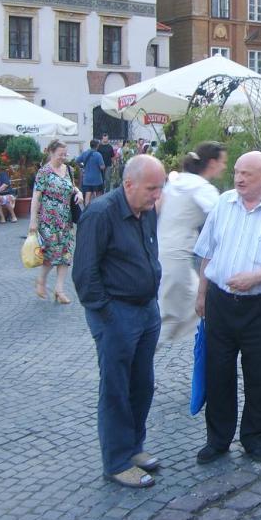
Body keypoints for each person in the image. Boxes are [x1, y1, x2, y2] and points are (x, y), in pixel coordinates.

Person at [193, 151, 261, 464]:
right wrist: (201, 293)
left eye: (247, 174)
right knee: (217, 372)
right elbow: (207, 252)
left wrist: (254, 278)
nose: (239, 179)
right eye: (237, 172)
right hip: (220, 302)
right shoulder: (223, 203)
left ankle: (257, 439)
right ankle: (217, 439)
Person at [72, 155, 167, 489]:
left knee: (142, 384)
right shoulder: (100, 214)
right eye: (152, 188)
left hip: (146, 310)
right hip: (117, 314)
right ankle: (116, 462)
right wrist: (108, 315)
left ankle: (133, 448)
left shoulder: (146, 210)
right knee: (116, 388)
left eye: (160, 188)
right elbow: (84, 274)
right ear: (128, 184)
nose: (157, 195)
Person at [157, 142, 227, 344]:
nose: (224, 167)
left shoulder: (181, 180)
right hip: (177, 255)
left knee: (196, 306)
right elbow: (223, 216)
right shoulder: (202, 188)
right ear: (212, 163)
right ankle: (134, 359)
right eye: (223, 162)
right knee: (171, 317)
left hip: (166, 250)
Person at [28, 140, 83, 304]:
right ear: (51, 153)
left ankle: (59, 290)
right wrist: (33, 220)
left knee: (65, 254)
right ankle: (41, 280)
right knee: (52, 252)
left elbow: (72, 187)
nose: (63, 157)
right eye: (60, 154)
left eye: (65, 154)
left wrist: (79, 193)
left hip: (66, 219)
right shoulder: (44, 172)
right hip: (48, 220)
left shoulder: (69, 170)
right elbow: (36, 197)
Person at [76, 140, 106, 207]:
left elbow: (77, 161)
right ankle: (97, 208)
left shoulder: (84, 153)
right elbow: (102, 167)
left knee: (88, 195)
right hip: (97, 179)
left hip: (87, 179)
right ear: (97, 146)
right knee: (98, 196)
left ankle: (87, 210)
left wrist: (82, 166)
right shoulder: (98, 155)